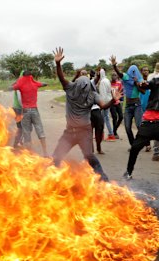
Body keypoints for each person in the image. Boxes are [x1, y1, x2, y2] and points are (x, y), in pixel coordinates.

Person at [52, 47, 120, 182]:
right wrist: (58, 64)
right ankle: (50, 179)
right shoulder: (72, 89)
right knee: (57, 157)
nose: (82, 88)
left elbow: (103, 105)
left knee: (90, 157)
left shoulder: (88, 93)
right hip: (70, 133)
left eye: (85, 86)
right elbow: (61, 77)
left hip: (84, 132)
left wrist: (113, 100)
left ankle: (104, 181)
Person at [12, 70, 48, 155]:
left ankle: (28, 154)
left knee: (26, 132)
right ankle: (45, 153)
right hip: (34, 110)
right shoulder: (35, 84)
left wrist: (16, 82)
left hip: (24, 110)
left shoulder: (20, 84)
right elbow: (44, 84)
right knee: (40, 131)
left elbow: (11, 87)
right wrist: (40, 83)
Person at [110, 56, 144, 147]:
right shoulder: (126, 77)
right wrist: (114, 65)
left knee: (139, 125)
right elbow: (119, 73)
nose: (132, 73)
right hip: (128, 106)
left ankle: (141, 142)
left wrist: (137, 83)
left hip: (137, 105)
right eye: (131, 71)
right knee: (127, 127)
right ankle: (133, 145)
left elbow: (143, 91)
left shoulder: (140, 80)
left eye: (134, 71)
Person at [89, 70, 106, 154]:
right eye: (82, 73)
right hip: (87, 112)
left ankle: (99, 147)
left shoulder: (90, 82)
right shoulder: (79, 84)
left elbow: (96, 79)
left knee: (99, 130)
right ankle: (90, 150)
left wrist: (98, 75)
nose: (84, 74)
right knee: (89, 132)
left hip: (96, 110)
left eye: (85, 73)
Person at [97, 68, 116, 142]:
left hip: (105, 102)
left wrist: (102, 105)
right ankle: (102, 134)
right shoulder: (107, 80)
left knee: (105, 118)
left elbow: (103, 94)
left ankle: (111, 135)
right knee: (105, 118)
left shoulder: (102, 82)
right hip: (109, 101)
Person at [110, 73, 124, 139]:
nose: (114, 76)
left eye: (115, 75)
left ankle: (114, 130)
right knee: (114, 117)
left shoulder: (119, 83)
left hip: (118, 102)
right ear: (111, 76)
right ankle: (115, 133)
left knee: (121, 117)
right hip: (111, 103)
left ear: (117, 76)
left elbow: (121, 91)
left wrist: (120, 97)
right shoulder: (109, 84)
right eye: (113, 75)